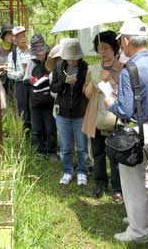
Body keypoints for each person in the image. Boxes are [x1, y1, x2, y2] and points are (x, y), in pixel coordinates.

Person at [104, 18, 148, 243]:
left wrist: (110, 101)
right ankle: (143, 221)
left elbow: (125, 110)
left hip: (136, 132)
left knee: (133, 185)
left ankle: (138, 232)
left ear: (127, 41)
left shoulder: (130, 69)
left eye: (121, 41)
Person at [82, 31, 123, 201]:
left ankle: (117, 186)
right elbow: (86, 93)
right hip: (95, 114)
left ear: (114, 48)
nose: (103, 52)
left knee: (114, 153)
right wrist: (92, 81)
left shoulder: (122, 69)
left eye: (106, 48)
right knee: (97, 152)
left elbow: (123, 92)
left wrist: (110, 80)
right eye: (99, 49)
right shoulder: (93, 69)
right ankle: (100, 182)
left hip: (114, 117)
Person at [50, 39, 89, 186]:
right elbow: (53, 88)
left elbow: (87, 90)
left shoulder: (85, 68)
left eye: (75, 58)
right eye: (70, 58)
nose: (72, 61)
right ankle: (67, 171)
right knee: (65, 147)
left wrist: (77, 82)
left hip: (80, 112)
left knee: (82, 146)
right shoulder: (59, 67)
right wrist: (64, 82)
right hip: (63, 113)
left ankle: (82, 172)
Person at [24, 34, 57, 160]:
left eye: (41, 53)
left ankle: (52, 151)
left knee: (50, 128)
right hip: (35, 101)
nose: (39, 56)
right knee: (37, 127)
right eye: (37, 53)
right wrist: (31, 80)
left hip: (49, 100)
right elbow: (25, 79)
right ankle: (40, 151)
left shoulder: (51, 62)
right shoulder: (31, 63)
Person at [7, 26, 32, 131]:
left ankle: (38, 136)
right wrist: (22, 72)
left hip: (34, 84)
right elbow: (9, 73)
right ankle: (26, 136)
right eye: (20, 37)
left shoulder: (33, 50)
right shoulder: (12, 55)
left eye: (24, 36)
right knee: (23, 111)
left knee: (35, 109)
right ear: (15, 40)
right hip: (21, 85)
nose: (23, 38)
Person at [0, 22, 14, 98]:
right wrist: (2, 67)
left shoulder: (16, 48)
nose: (12, 36)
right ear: (3, 36)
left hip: (14, 81)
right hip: (1, 81)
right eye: (9, 34)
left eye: (13, 34)